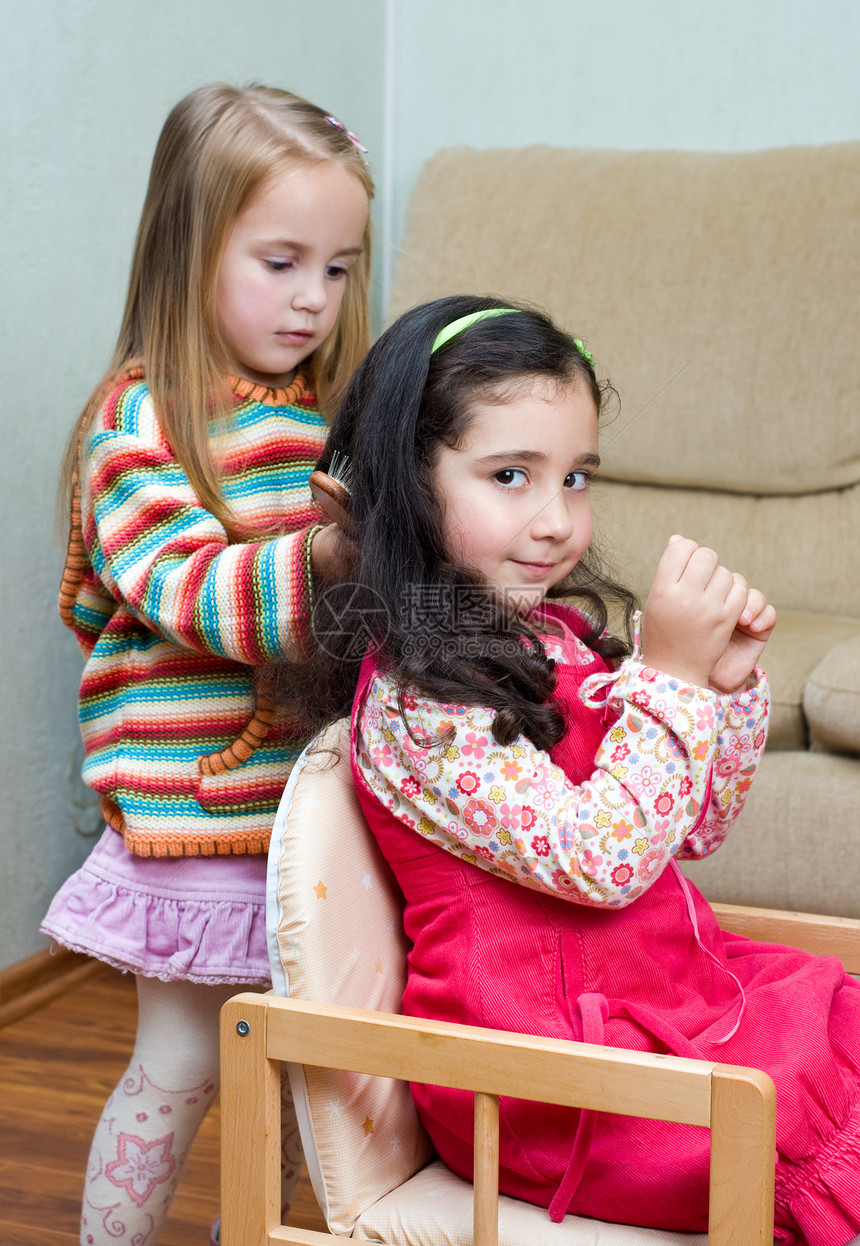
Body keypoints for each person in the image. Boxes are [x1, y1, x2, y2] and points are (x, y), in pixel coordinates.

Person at [281, 295, 860, 1246]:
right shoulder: (421, 708)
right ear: (408, 483)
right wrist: (666, 680)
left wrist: (721, 687)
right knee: (807, 1112)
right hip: (550, 1083)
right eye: (511, 475)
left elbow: (693, 828)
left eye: (577, 477)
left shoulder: (556, 640)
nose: (556, 521)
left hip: (665, 1003)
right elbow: (606, 859)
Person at [41, 83, 373, 1246]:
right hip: (193, 810)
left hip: (307, 814)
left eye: (337, 269)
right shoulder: (136, 425)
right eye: (282, 260)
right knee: (181, 1062)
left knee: (300, 1080)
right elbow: (188, 589)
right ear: (190, 248)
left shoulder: (324, 413)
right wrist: (334, 556)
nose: (312, 299)